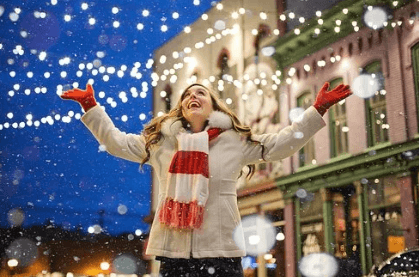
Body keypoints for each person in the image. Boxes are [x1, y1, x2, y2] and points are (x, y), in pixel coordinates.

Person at [60, 82, 352, 277]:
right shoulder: (162, 142)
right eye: (187, 95)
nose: (192, 97)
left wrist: (318, 110)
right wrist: (91, 107)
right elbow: (116, 143)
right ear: (181, 108)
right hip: (174, 252)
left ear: (213, 105)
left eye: (200, 93)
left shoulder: (233, 141)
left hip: (222, 249)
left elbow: (279, 145)